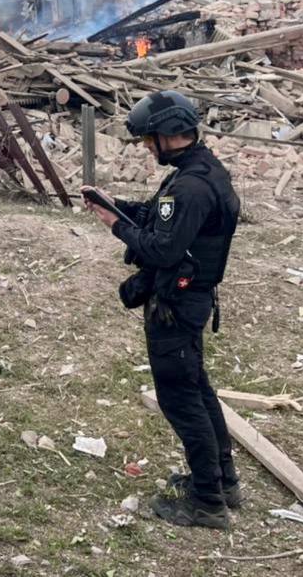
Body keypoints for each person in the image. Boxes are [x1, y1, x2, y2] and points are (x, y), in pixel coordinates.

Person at [82, 89, 241, 530]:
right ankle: (222, 481)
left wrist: (114, 225)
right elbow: (157, 218)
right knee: (199, 392)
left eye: (150, 138)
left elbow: (162, 248)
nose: (148, 147)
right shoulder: (200, 171)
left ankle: (207, 502)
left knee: (182, 401)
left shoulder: (189, 186)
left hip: (175, 306)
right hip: (188, 301)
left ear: (171, 134)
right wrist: (112, 204)